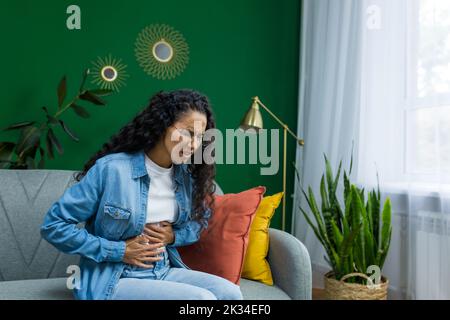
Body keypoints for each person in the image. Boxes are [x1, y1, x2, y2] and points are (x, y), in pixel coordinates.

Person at [40, 89, 243, 300]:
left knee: (230, 293)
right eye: (188, 133)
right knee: (201, 300)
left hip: (162, 271)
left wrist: (174, 236)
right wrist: (118, 250)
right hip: (114, 278)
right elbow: (54, 226)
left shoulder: (185, 178)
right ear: (162, 125)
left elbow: (200, 222)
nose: (194, 145)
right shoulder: (112, 170)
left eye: (200, 137)